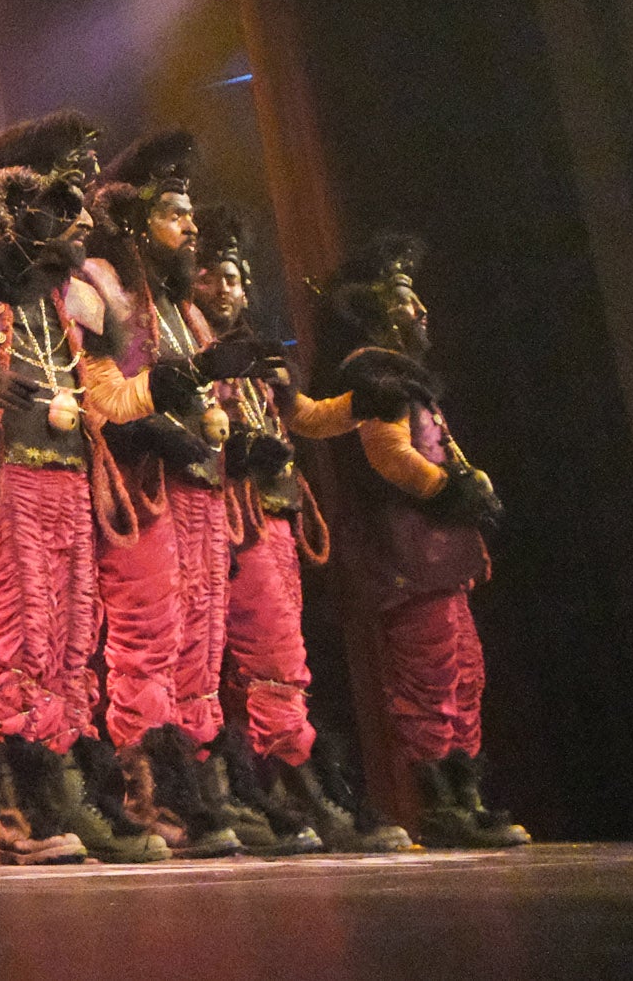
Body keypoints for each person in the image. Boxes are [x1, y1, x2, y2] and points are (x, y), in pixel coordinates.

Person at [0, 113, 168, 864]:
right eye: (56, 200)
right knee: (21, 641)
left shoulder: (68, 298)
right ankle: (23, 812)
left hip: (70, 478)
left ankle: (68, 797)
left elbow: (107, 396)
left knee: (70, 647)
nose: (72, 216)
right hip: (8, 477)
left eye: (74, 204)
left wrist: (176, 386)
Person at [194, 203, 412, 853]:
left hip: (277, 515)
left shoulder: (254, 352)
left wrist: (358, 405)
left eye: (237, 278)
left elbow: (305, 420)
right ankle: (305, 792)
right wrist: (233, 453)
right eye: (216, 278)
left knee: (277, 659)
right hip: (235, 519)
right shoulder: (190, 346)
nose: (230, 290)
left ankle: (275, 794)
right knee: (272, 662)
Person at [299, 235, 528, 851]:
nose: (421, 310)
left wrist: (468, 482)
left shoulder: (403, 374)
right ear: (373, 311)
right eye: (405, 299)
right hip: (407, 553)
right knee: (430, 675)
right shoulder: (375, 375)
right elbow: (389, 455)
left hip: (436, 552)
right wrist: (451, 488)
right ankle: (440, 800)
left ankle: (467, 793)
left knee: (464, 672)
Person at [80, 131, 243, 857]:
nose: (191, 229)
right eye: (176, 215)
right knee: (148, 641)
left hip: (199, 487)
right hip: (145, 488)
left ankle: (204, 794)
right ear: (138, 223)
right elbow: (104, 395)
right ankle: (150, 796)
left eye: (190, 215)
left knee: (200, 646)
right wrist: (155, 430)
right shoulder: (116, 294)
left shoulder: (187, 310)